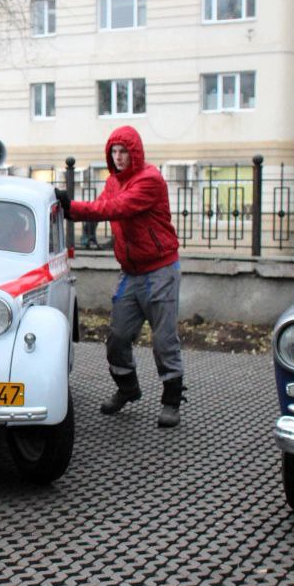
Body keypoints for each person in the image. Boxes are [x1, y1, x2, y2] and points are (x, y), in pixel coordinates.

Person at [56, 125, 186, 426]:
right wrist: (68, 209)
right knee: (117, 337)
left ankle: (172, 402)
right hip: (131, 272)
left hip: (160, 270)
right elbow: (106, 204)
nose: (118, 157)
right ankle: (128, 388)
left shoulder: (149, 180)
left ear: (135, 153)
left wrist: (71, 207)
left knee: (164, 340)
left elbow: (115, 208)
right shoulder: (114, 181)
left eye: (123, 152)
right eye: (114, 152)